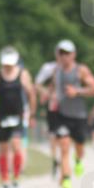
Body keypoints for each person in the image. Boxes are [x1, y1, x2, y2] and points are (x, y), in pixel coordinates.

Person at [45, 40, 94, 188]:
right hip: (62, 115)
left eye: (67, 53)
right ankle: (67, 180)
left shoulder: (80, 71)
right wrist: (49, 95)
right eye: (61, 53)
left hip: (79, 116)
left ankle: (78, 160)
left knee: (79, 147)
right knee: (63, 146)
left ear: (73, 55)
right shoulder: (56, 71)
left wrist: (77, 91)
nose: (64, 57)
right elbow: (52, 88)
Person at [0, 46, 36, 188]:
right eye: (5, 65)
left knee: (16, 146)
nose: (7, 67)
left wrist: (31, 112)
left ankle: (16, 179)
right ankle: (5, 181)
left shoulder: (22, 74)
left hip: (17, 115)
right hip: (2, 115)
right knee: (3, 149)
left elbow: (31, 93)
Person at [35, 50, 63, 178]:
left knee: (63, 135)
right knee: (53, 134)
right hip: (53, 105)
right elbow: (37, 84)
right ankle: (55, 159)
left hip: (67, 106)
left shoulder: (73, 68)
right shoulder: (49, 68)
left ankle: (63, 160)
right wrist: (46, 92)